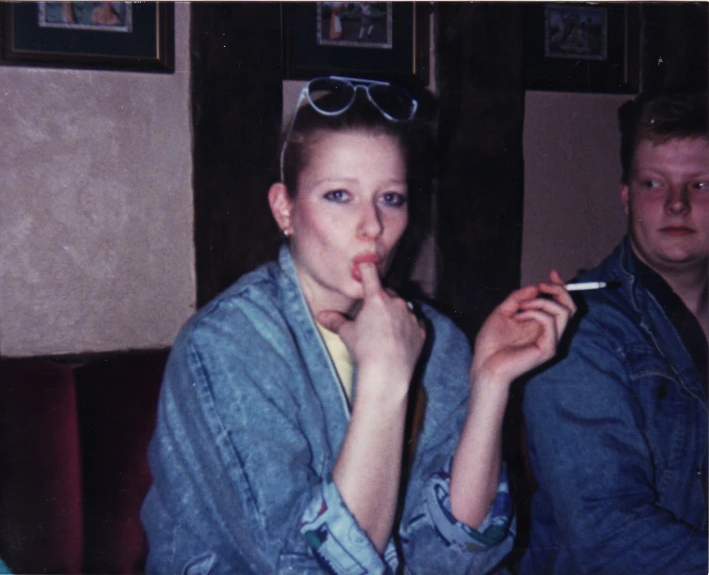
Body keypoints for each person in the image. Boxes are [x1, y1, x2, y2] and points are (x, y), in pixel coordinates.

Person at [141, 76, 575, 574]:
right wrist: (385, 379)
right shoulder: (223, 346)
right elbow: (305, 567)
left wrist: (489, 382)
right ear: (284, 208)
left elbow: (460, 559)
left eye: (390, 197)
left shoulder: (434, 338)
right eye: (339, 196)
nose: (371, 225)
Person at [521, 89, 708, 575]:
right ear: (626, 197)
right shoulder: (574, 327)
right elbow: (608, 536)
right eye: (653, 183)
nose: (677, 205)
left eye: (700, 185)